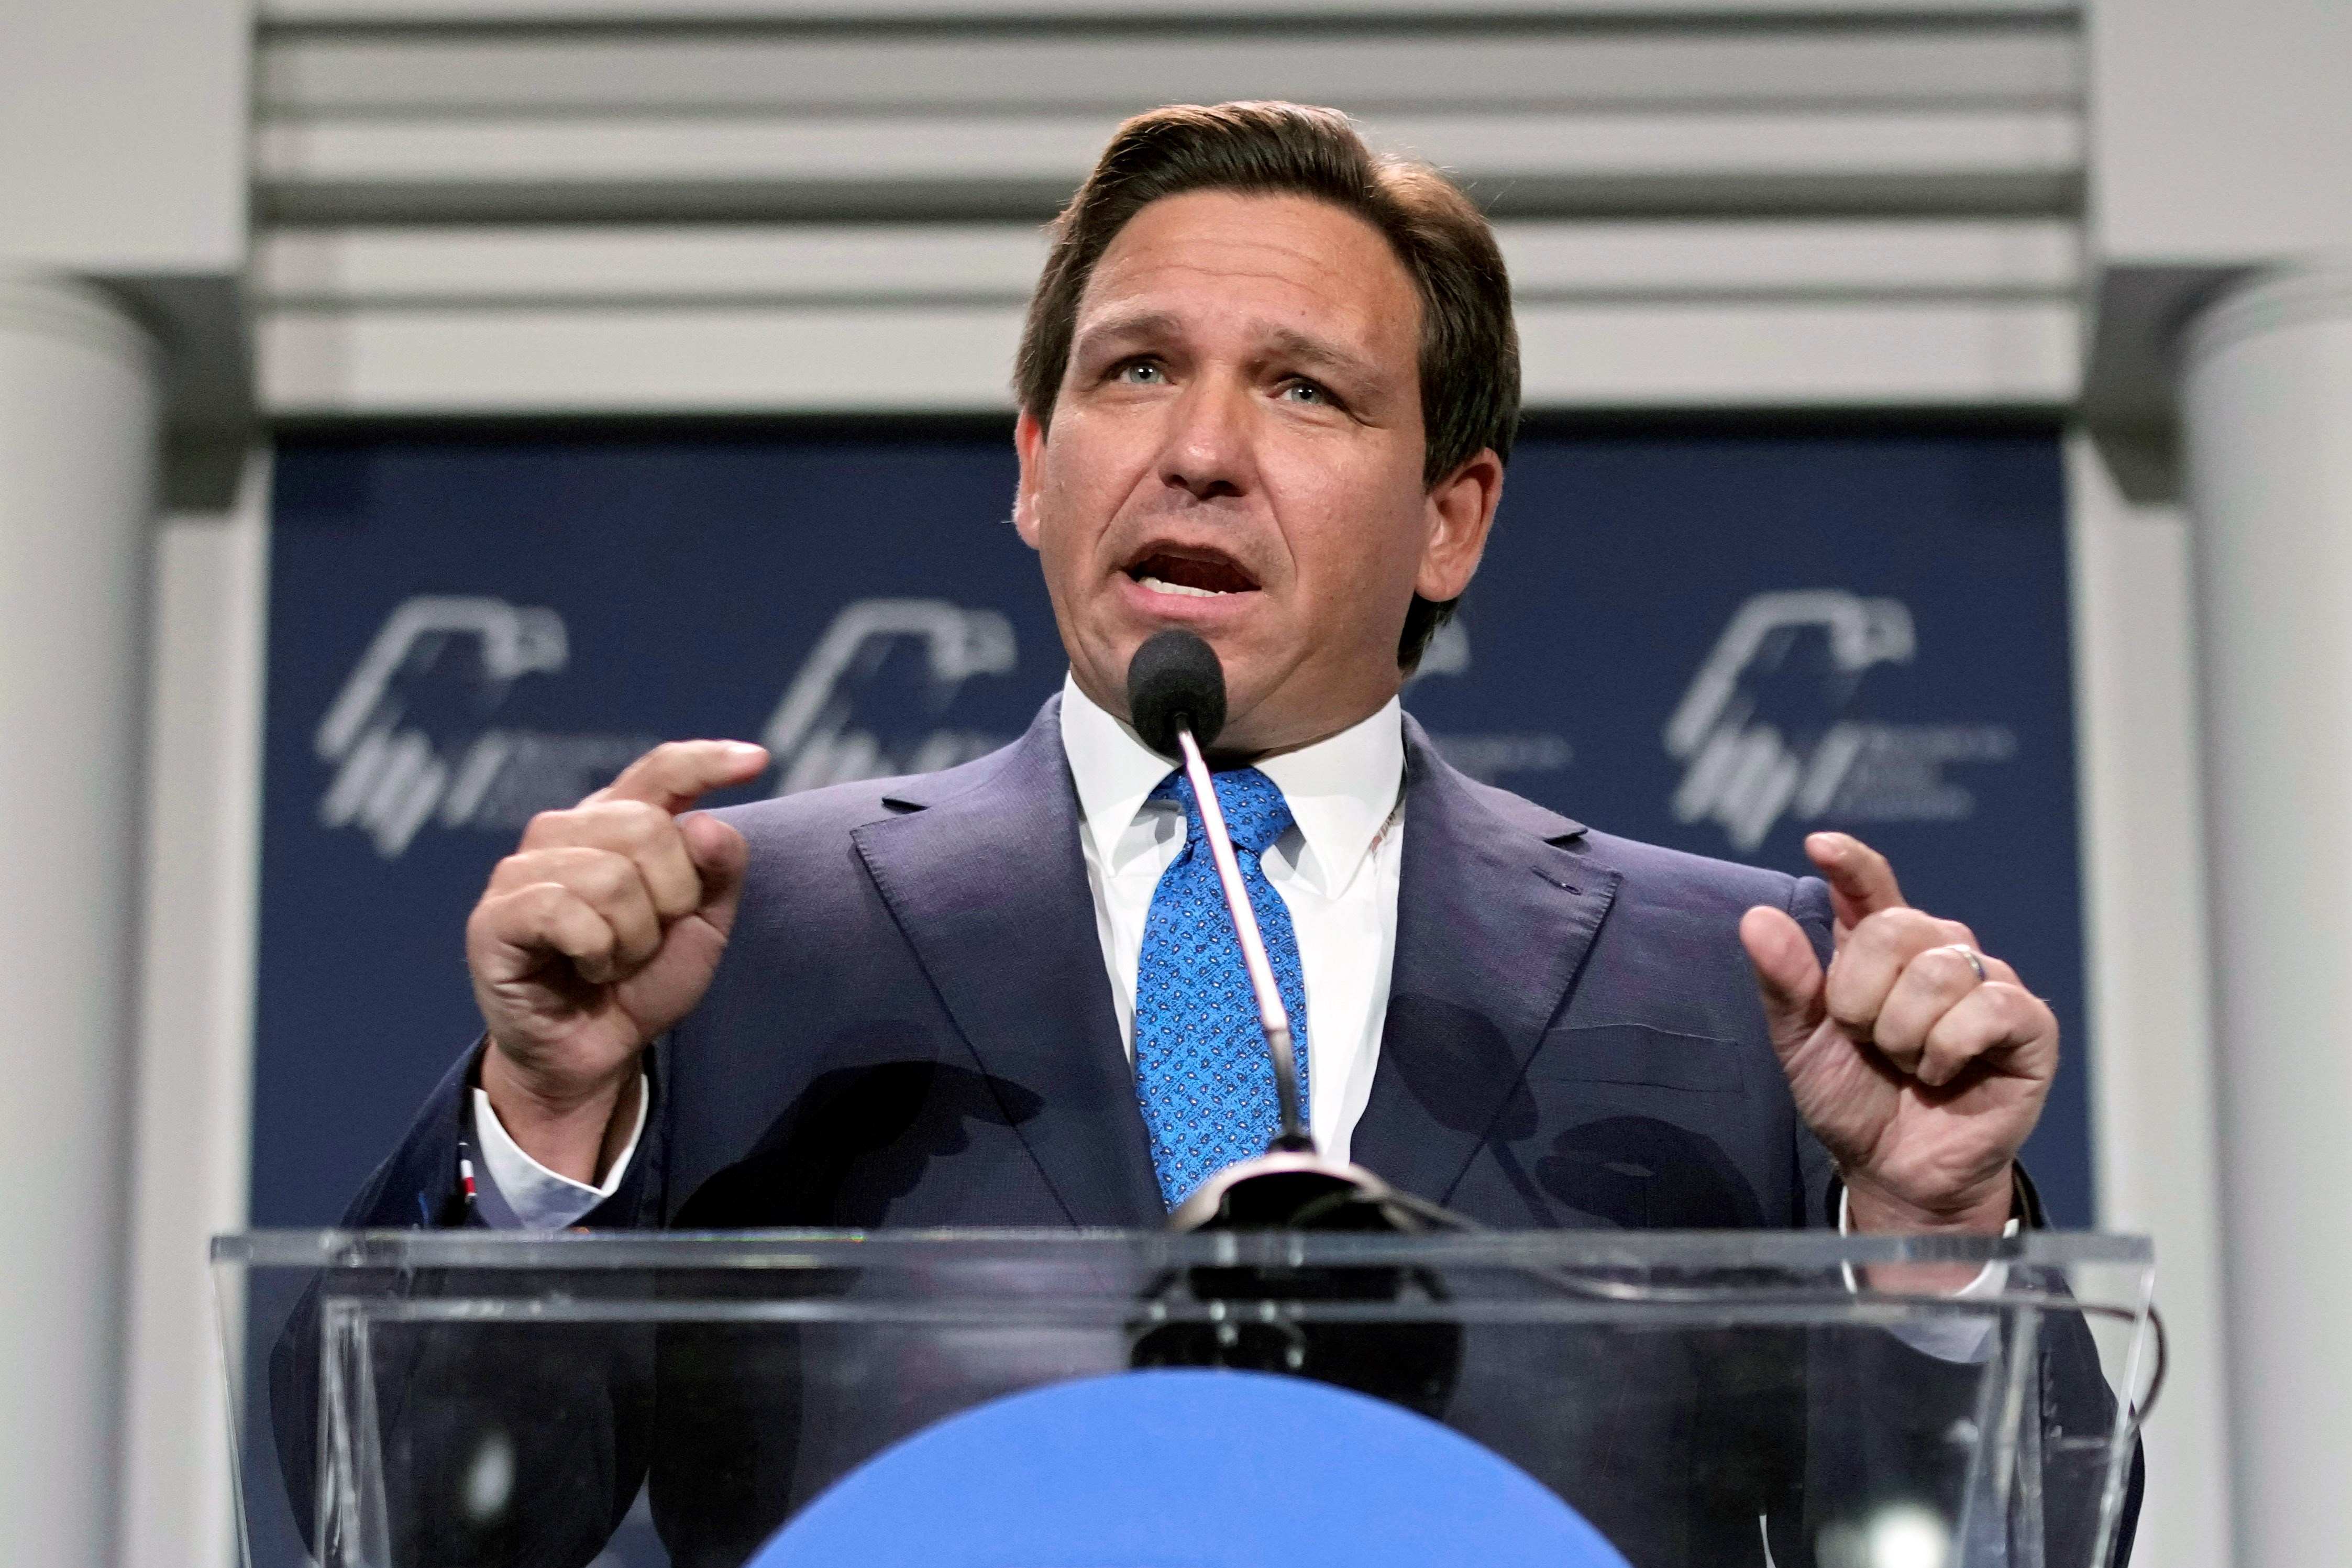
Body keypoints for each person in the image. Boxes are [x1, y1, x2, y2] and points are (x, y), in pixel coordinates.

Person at [291, 102, 2133, 1566]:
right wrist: (541, 1118)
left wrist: (1925, 1238)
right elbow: (406, 1517)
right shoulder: (737, 934)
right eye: (1134, 371)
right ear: (1033, 466)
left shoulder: (1737, 982)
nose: (1197, 450)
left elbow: (2002, 1544)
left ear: (1450, 519)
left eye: (1305, 389)